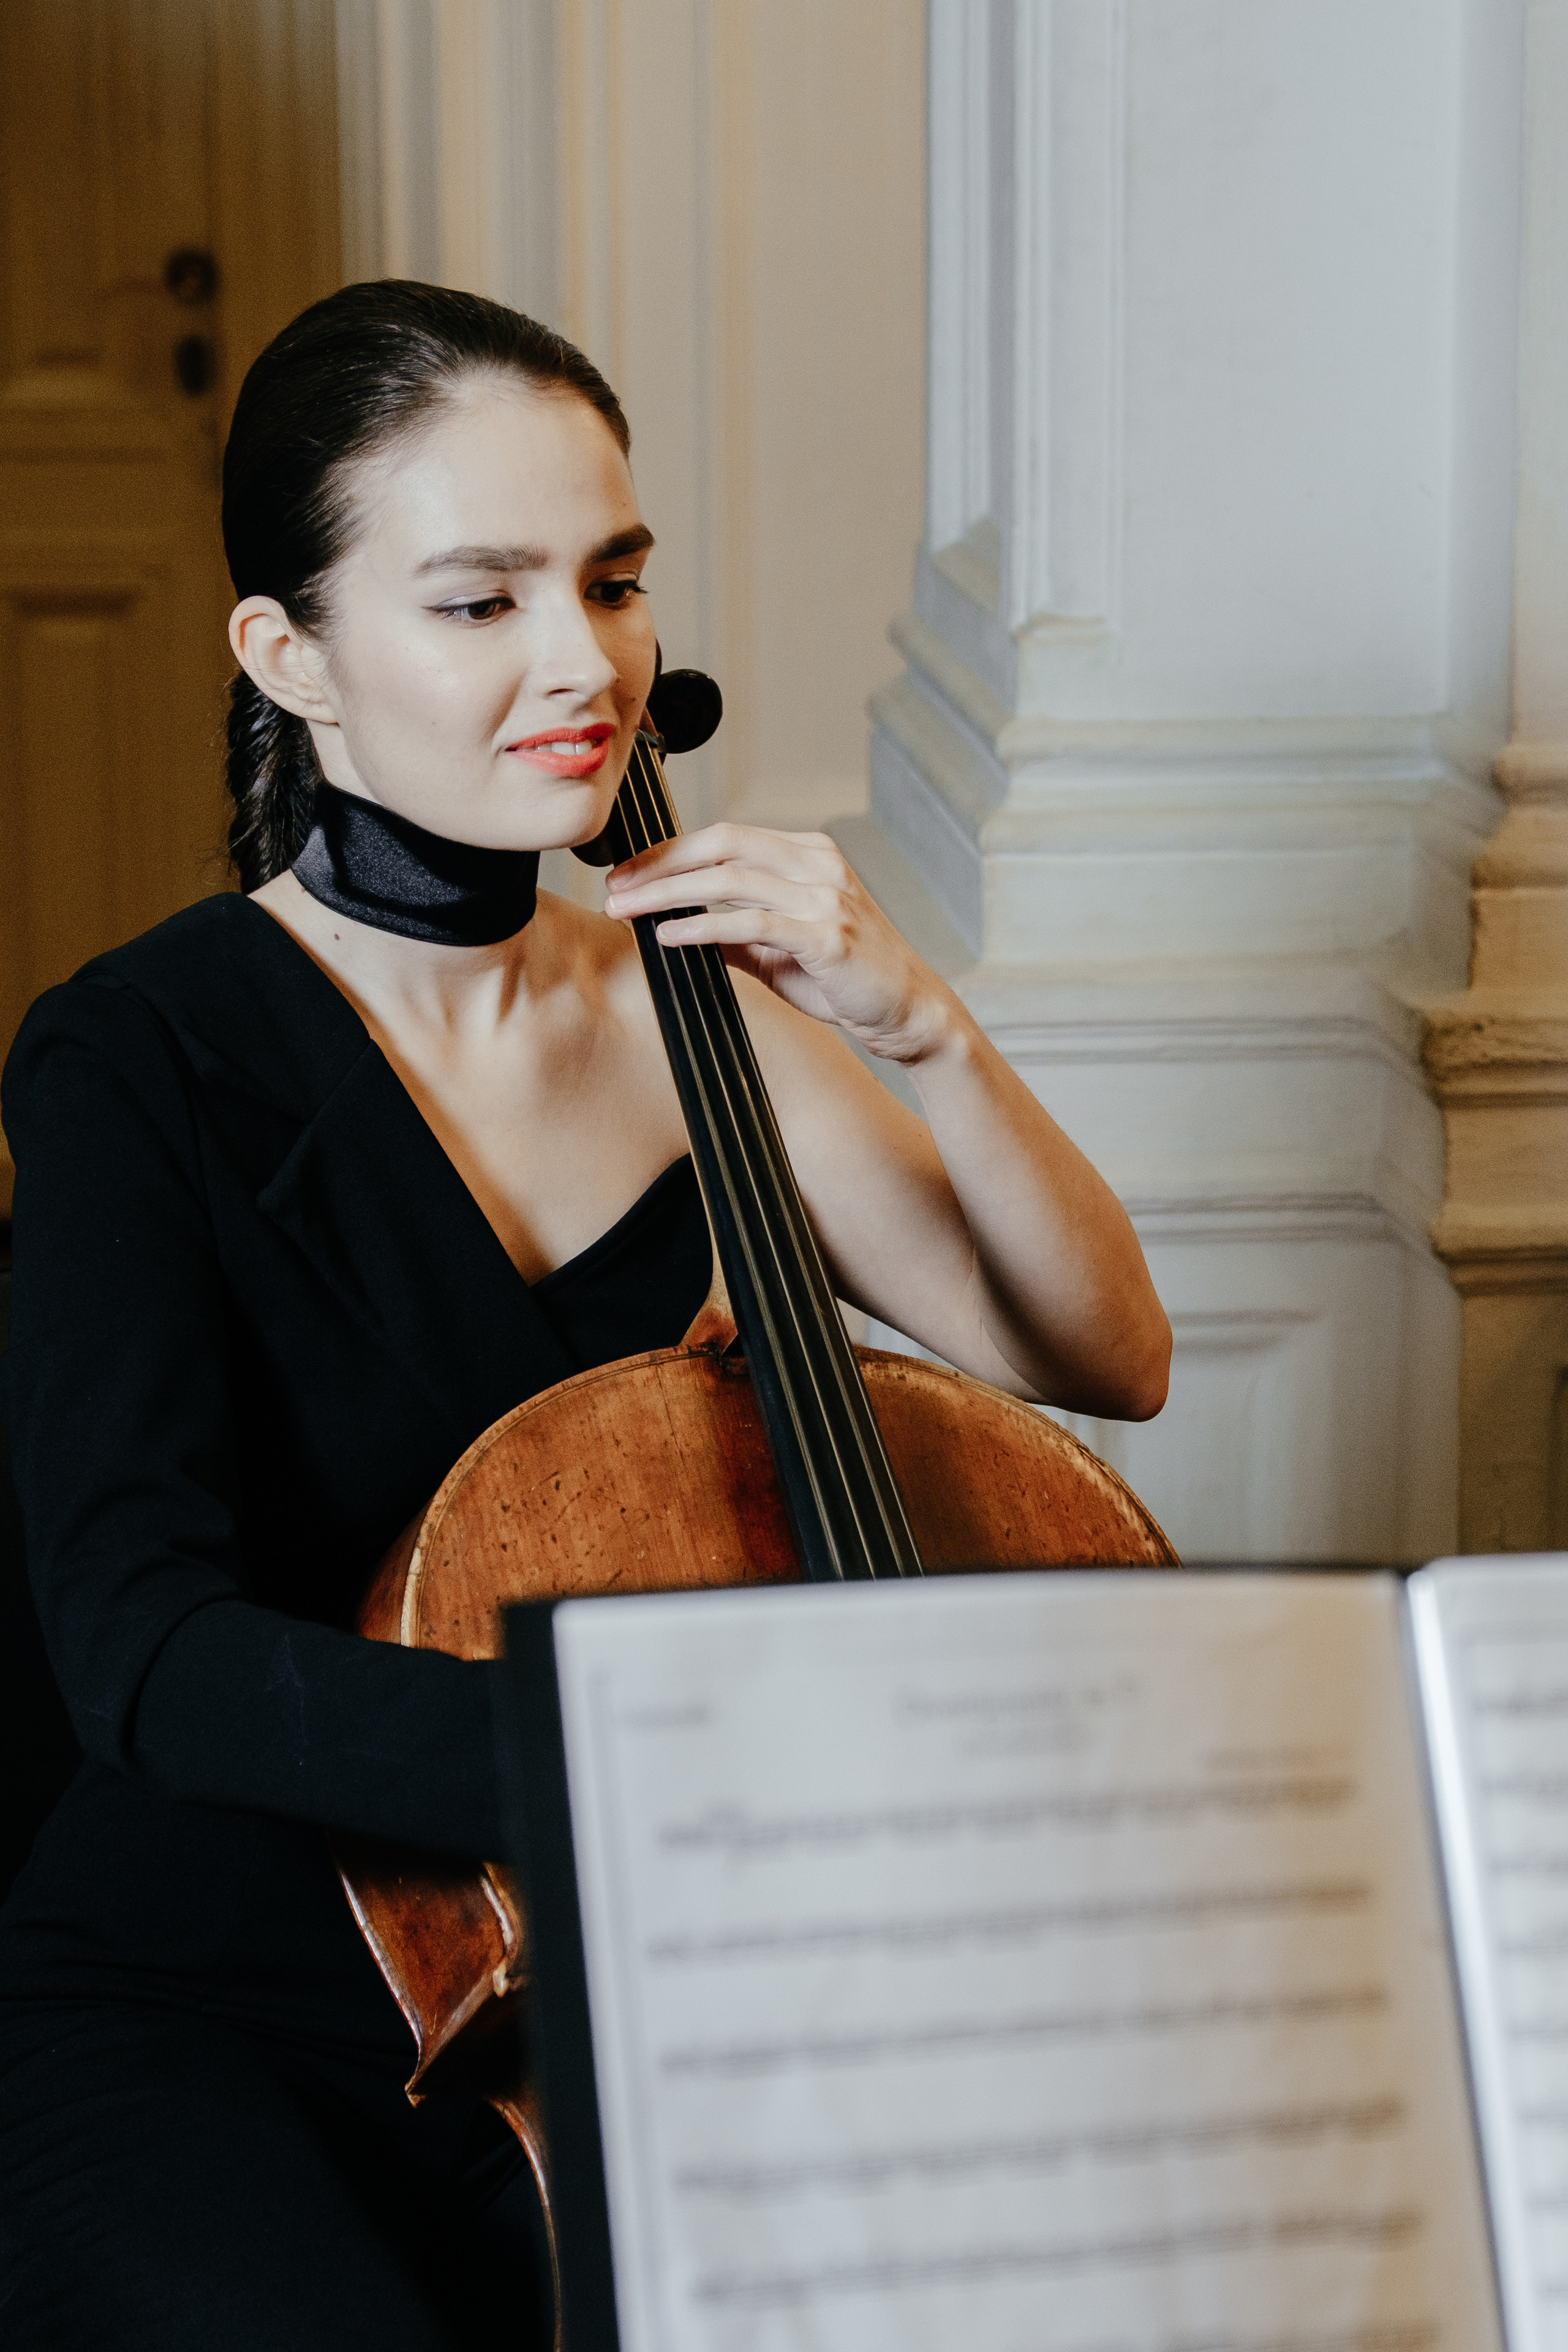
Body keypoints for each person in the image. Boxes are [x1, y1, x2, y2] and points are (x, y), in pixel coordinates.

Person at [0, 281, 1170, 2346]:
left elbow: (1100, 1362)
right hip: (217, 2008)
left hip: (639, 1996)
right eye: (480, 603)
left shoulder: (697, 1014)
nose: (586, 664)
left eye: (614, 581)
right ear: (294, 656)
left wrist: (926, 1029)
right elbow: (143, 1657)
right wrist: (664, 1756)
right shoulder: (138, 1057)